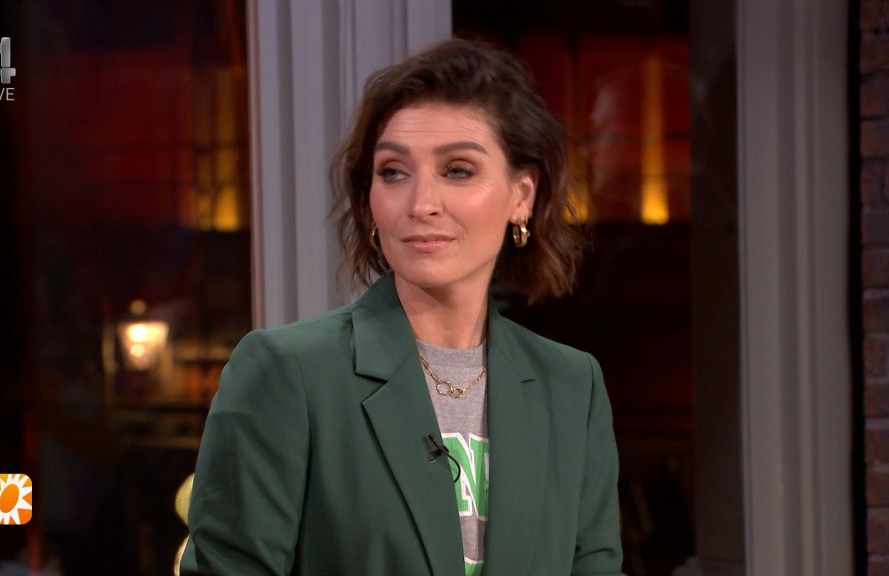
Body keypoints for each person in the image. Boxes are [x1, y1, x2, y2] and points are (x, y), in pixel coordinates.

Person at [180, 38, 624, 576]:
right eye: (393, 172)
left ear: (521, 195)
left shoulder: (571, 387)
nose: (421, 204)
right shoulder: (288, 373)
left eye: (457, 170)